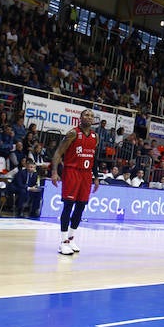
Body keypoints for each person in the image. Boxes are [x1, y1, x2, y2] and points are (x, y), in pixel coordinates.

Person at [50, 109, 100, 255]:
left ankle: (71, 239)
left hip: (86, 174)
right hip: (72, 172)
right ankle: (63, 242)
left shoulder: (95, 136)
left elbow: (94, 158)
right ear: (80, 118)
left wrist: (96, 176)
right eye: (86, 115)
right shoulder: (72, 133)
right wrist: (54, 172)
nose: (89, 117)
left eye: (91, 116)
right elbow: (58, 153)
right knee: (68, 206)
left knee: (80, 207)